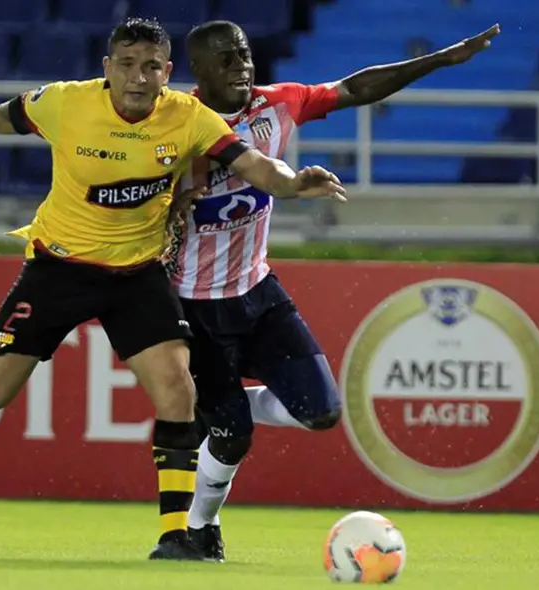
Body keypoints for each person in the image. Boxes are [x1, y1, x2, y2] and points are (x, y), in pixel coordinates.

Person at [0, 17, 346, 562]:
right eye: (127, 65)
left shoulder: (188, 117)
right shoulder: (65, 104)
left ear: (167, 73)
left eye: (151, 67)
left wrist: (293, 184)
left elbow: (251, 163)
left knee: (178, 390)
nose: (138, 77)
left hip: (138, 275)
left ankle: (177, 536)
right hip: (61, 268)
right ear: (108, 68)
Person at [166, 20, 500, 562]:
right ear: (198, 72)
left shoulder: (279, 104)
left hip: (257, 292)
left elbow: (355, 88)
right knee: (232, 440)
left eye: (245, 54)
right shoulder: (171, 123)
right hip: (192, 305)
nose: (241, 66)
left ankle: (223, 405)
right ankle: (201, 527)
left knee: (320, 412)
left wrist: (437, 60)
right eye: (225, 59)